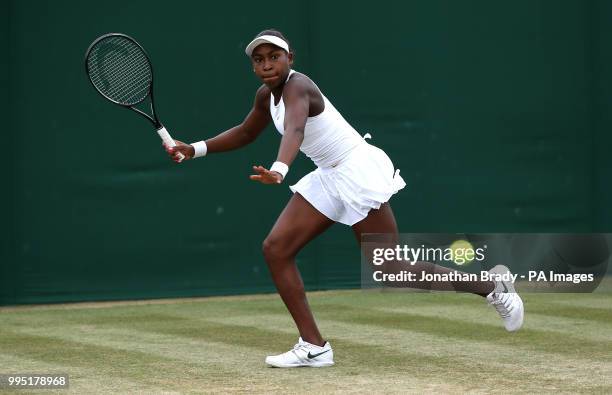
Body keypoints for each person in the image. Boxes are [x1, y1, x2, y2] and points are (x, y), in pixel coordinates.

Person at [165, 29, 524, 368]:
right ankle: (314, 347)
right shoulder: (265, 97)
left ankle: (493, 287)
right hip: (328, 175)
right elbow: (245, 132)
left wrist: (280, 169)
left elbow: (296, 129)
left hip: (356, 170)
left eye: (274, 56)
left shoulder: (299, 87)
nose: (266, 65)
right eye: (258, 60)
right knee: (276, 249)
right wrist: (194, 149)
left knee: (390, 271)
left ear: (290, 57)